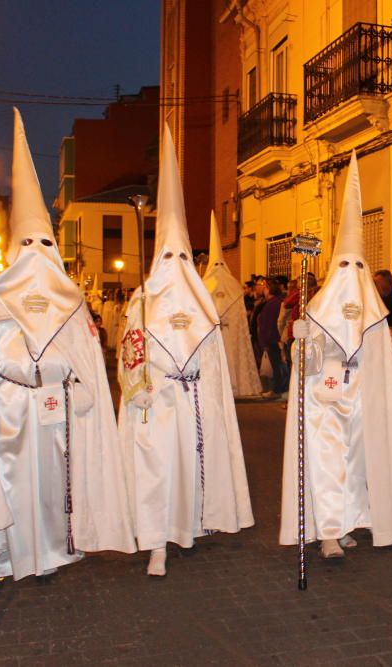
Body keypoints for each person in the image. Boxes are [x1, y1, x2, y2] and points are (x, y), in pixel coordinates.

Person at [0, 109, 136, 589]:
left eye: (44, 242)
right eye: (28, 242)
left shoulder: (70, 298)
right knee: (5, 484)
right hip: (7, 409)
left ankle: (51, 551)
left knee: (51, 485)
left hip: (55, 408)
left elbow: (86, 359)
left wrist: (77, 383)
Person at [280, 152, 392, 559]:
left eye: (358, 265)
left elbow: (380, 358)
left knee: (356, 465)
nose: (352, 274)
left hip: (361, 399)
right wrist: (303, 340)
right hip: (325, 400)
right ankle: (329, 531)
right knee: (329, 461)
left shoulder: (372, 307)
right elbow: (308, 362)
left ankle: (349, 520)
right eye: (344, 265)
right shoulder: (318, 307)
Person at [119, 127, 253, 577]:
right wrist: (135, 384)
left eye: (183, 257)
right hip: (157, 401)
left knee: (189, 465)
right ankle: (156, 539)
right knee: (158, 468)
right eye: (168, 257)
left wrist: (213, 396)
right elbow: (130, 351)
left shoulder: (201, 303)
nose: (176, 266)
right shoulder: (141, 301)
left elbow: (213, 357)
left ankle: (192, 525)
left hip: (193, 400)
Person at [202, 212, 263, 398]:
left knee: (228, 358)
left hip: (222, 333)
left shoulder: (204, 286)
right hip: (219, 334)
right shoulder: (234, 286)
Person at [257, 277, 288, 397]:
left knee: (277, 366)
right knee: (276, 366)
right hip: (272, 340)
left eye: (265, 288)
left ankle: (278, 390)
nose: (263, 290)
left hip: (273, 340)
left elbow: (272, 324)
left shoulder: (275, 303)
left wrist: (268, 341)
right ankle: (277, 389)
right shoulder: (272, 302)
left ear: (269, 290)